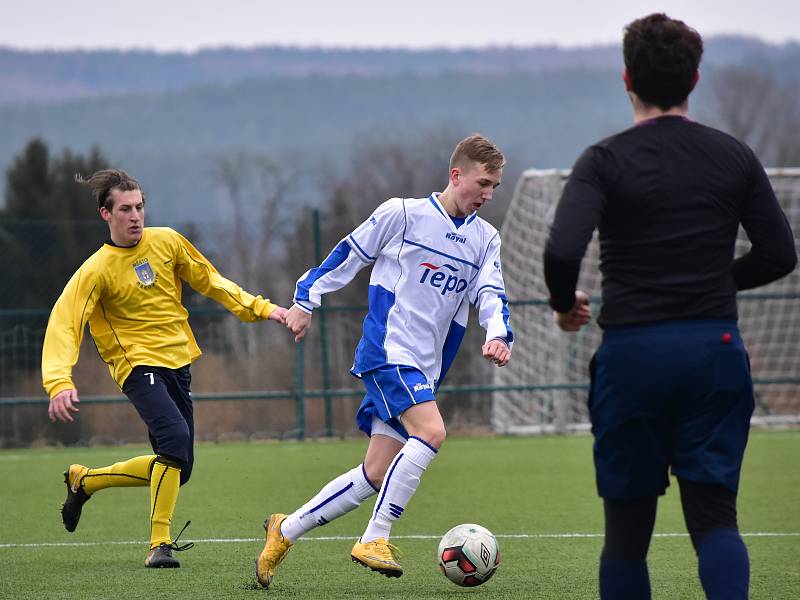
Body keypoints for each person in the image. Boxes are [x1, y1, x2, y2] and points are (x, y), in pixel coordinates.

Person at [544, 13, 797, 600]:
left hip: (632, 355)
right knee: (715, 520)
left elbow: (561, 250)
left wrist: (564, 305)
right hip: (714, 351)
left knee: (627, 537)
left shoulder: (603, 161)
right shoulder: (732, 155)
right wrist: (713, 281)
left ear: (627, 76)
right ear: (696, 78)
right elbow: (780, 253)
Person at [255, 134, 513, 587]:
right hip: (389, 351)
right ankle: (375, 536)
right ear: (456, 175)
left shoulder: (485, 239)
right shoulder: (404, 214)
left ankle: (286, 529)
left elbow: (490, 293)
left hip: (424, 368)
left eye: (495, 186)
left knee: (374, 472)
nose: (489, 194)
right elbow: (349, 253)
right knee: (432, 431)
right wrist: (304, 300)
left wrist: (497, 334)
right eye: (483, 183)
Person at [42, 169, 287, 568]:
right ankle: (160, 544)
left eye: (139, 207)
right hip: (136, 365)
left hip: (178, 362)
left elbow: (212, 282)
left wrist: (263, 309)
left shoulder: (168, 242)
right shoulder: (96, 270)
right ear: (106, 214)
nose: (135, 215)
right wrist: (58, 382)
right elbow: (64, 323)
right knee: (173, 439)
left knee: (177, 467)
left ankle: (84, 481)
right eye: (125, 209)